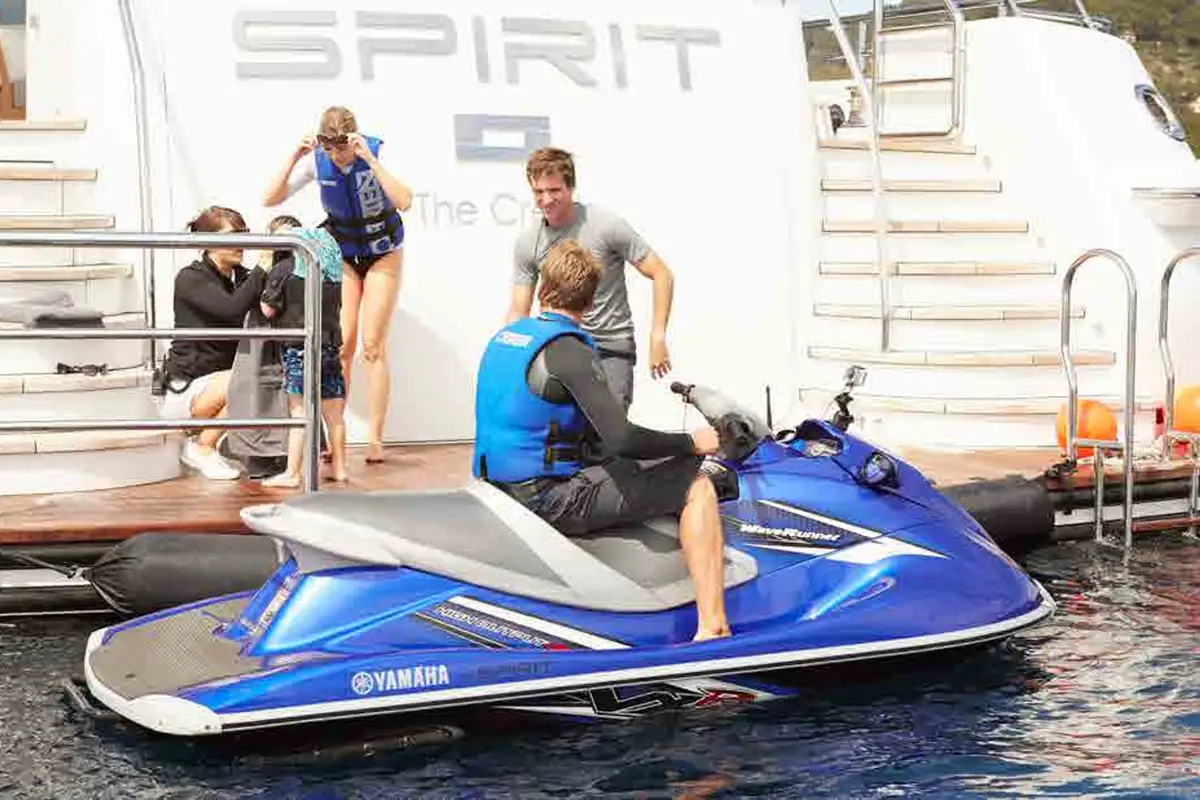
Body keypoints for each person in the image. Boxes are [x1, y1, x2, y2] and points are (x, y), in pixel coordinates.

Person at [476, 240, 731, 642]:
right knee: (697, 484)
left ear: (544, 287)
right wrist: (691, 443)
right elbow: (622, 438)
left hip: (495, 490)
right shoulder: (569, 350)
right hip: (546, 499)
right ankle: (713, 626)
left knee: (630, 468)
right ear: (591, 301)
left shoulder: (508, 337)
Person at [263, 105, 414, 464]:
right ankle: (337, 440)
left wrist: (369, 161)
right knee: (342, 344)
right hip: (344, 252)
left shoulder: (375, 152)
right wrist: (295, 155)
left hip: (382, 251)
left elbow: (404, 201)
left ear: (353, 139)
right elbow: (270, 198)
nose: (337, 156)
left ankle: (376, 438)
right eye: (330, 149)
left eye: (342, 148)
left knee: (372, 345)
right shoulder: (318, 160)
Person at [507, 147, 676, 411]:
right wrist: (509, 360)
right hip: (560, 347)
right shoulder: (528, 242)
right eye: (538, 192)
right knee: (564, 430)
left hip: (610, 349)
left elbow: (661, 273)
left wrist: (658, 337)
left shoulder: (607, 225)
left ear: (571, 187)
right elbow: (518, 313)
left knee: (610, 431)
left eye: (554, 190)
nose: (546, 200)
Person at [159, 206, 267, 480]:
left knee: (265, 375)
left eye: (245, 233)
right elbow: (232, 309)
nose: (242, 242)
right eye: (234, 235)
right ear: (207, 242)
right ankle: (202, 446)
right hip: (188, 388)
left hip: (220, 384)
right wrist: (263, 267)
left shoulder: (242, 278)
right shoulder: (190, 278)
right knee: (249, 378)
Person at [258, 216, 349, 487]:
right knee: (334, 415)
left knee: (298, 411)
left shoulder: (283, 268)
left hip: (299, 347)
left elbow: (268, 309)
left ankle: (292, 473)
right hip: (330, 345)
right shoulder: (328, 266)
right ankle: (340, 468)